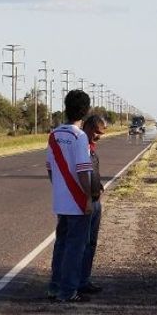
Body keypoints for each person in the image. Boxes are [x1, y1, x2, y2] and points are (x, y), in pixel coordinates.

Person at [46, 89, 94, 303]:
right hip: (77, 201)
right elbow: (84, 171)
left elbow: (49, 168)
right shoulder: (80, 136)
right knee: (76, 247)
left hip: (61, 201)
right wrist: (88, 198)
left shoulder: (54, 135)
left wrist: (59, 188)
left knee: (61, 246)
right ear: (85, 111)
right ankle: (69, 292)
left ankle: (55, 287)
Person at [79, 114, 107, 295]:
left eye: (101, 133)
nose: (99, 136)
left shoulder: (90, 147)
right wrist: (88, 198)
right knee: (82, 243)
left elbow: (92, 172)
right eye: (97, 132)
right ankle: (76, 282)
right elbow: (81, 174)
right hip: (85, 202)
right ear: (88, 127)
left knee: (91, 243)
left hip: (95, 200)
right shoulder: (80, 146)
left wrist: (99, 186)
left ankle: (84, 280)